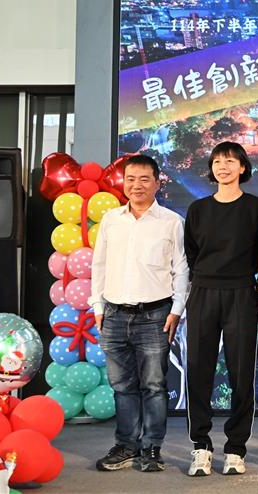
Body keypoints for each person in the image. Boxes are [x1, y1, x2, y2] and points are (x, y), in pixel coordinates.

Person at [90, 154, 189, 473]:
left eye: (144, 179)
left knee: (154, 386)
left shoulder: (171, 221)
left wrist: (177, 310)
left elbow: (181, 269)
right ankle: (126, 446)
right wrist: (98, 306)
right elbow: (99, 265)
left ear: (157, 183)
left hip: (155, 315)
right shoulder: (111, 220)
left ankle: (152, 448)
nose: (136, 185)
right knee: (122, 386)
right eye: (130, 179)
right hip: (113, 314)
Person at [184, 142, 258, 477]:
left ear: (242, 167)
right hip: (203, 292)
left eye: (230, 161)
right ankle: (201, 446)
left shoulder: (256, 208)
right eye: (217, 161)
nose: (223, 167)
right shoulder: (198, 209)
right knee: (198, 369)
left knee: (241, 371)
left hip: (242, 292)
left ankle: (236, 449)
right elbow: (191, 252)